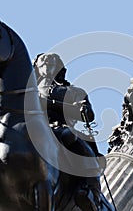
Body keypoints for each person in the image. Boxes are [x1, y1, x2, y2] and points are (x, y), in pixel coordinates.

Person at [33, 53, 102, 211]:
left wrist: (50, 104)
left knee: (74, 141)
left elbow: (88, 114)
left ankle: (92, 194)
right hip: (31, 128)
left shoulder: (73, 91)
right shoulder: (27, 90)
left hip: (60, 128)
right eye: (43, 62)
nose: (47, 65)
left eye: (52, 62)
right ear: (36, 67)